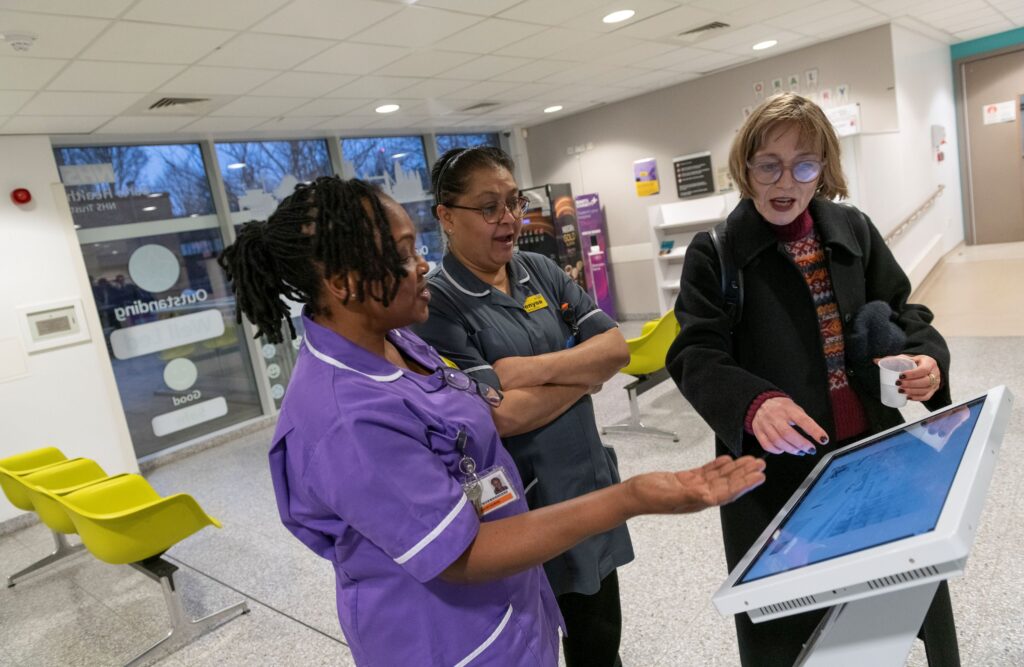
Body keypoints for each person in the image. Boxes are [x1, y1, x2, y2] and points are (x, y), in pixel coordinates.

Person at [219, 175, 766, 666]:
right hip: (450, 639)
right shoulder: (344, 420)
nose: (423, 264)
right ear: (344, 282)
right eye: (405, 253)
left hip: (511, 606)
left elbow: (486, 408)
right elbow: (463, 552)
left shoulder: (396, 339)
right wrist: (634, 497)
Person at [666, 92, 959, 667]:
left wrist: (928, 362)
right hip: (777, 475)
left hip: (873, 454)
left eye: (804, 163)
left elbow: (905, 311)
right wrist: (752, 403)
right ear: (744, 166)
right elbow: (695, 352)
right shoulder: (716, 252)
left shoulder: (852, 228)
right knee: (795, 630)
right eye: (767, 163)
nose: (785, 180)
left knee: (891, 605)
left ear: (823, 169)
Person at [412, 146, 634, 667]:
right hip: (523, 510)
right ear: (446, 216)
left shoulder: (538, 269)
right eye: (489, 207)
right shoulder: (438, 304)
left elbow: (616, 350)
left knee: (601, 644)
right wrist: (583, 377)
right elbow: (499, 415)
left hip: (587, 486)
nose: (509, 219)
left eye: (514, 202)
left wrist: (522, 371)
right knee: (532, 649)